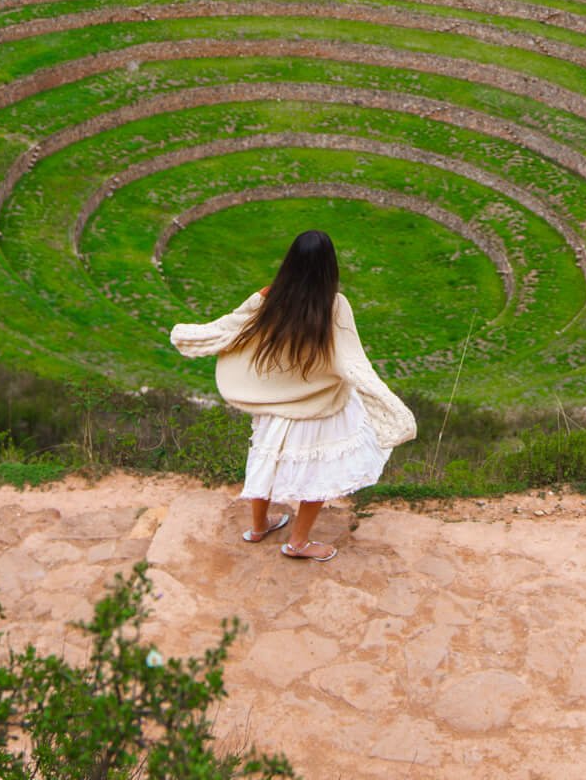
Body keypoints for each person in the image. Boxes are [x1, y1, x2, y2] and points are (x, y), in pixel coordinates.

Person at [170, 229, 416, 563]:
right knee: (319, 472)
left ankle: (258, 528)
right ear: (330, 267)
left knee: (266, 462)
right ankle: (298, 543)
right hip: (320, 407)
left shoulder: (267, 297)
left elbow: (228, 328)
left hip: (276, 405)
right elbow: (354, 363)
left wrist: (188, 335)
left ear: (290, 262)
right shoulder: (335, 306)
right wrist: (391, 409)